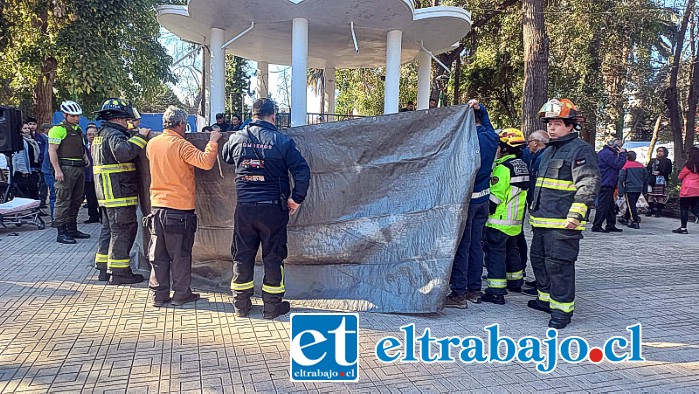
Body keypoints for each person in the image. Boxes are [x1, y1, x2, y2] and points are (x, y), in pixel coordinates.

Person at [222, 98, 310, 319]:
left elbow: (225, 157)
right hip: (273, 209)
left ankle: (241, 305)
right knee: (273, 255)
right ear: (273, 116)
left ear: (252, 115)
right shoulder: (282, 141)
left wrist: (243, 131)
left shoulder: (237, 137)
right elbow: (302, 171)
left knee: (242, 254)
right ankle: (271, 307)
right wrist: (296, 199)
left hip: (244, 208)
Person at [528, 98, 600, 329]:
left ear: (571, 125)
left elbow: (588, 183)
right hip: (542, 220)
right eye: (549, 123)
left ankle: (561, 312)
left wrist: (576, 215)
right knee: (539, 261)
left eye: (557, 123)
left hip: (563, 223)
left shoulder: (580, 149)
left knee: (559, 266)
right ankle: (545, 300)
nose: (551, 127)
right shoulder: (549, 150)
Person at [145, 106, 222, 307]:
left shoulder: (152, 144)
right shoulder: (181, 145)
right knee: (179, 255)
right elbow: (205, 163)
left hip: (156, 208)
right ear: (180, 124)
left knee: (158, 255)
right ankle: (181, 294)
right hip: (178, 210)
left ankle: (158, 296)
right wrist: (213, 142)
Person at [445, 99, 499, 308]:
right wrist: (479, 108)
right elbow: (486, 121)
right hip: (483, 201)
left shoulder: (467, 142)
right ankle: (473, 290)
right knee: (476, 244)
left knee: (462, 246)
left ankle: (458, 294)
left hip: (467, 201)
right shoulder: (491, 137)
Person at [92, 98, 150, 284]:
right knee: (123, 231)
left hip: (106, 194)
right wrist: (140, 137)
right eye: (127, 120)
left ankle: (103, 269)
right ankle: (120, 273)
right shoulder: (114, 135)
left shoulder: (100, 134)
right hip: (119, 194)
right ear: (118, 119)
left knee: (109, 231)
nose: (128, 123)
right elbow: (124, 153)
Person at [481, 128, 530, 305]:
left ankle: (496, 290)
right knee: (512, 251)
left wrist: (483, 214)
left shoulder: (503, 168)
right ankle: (515, 281)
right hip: (515, 222)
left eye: (498, 146)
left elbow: (495, 196)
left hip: (499, 221)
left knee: (495, 254)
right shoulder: (522, 165)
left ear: (505, 147)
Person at [48, 101, 91, 244]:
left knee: (76, 200)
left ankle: (72, 229)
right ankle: (61, 232)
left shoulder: (78, 129)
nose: (76, 118)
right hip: (66, 168)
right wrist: (57, 170)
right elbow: (52, 151)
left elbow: (81, 146)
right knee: (63, 200)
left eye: (78, 116)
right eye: (73, 116)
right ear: (65, 115)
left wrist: (84, 157)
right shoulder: (57, 129)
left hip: (79, 167)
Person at [519, 129, 549, 294]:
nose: (528, 144)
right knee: (539, 249)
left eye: (529, 141)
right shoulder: (538, 157)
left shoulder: (543, 158)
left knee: (542, 250)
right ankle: (540, 281)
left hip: (543, 209)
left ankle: (543, 285)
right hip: (538, 206)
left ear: (536, 142)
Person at [591, 137, 627, 233]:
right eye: (618, 145)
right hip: (606, 182)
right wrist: (623, 154)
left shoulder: (607, 153)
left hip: (608, 181)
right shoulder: (608, 154)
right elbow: (617, 165)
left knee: (610, 205)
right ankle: (597, 225)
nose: (620, 147)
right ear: (613, 145)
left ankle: (610, 224)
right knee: (603, 205)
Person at [617, 151, 648, 229]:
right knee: (632, 204)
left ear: (627, 157)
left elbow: (621, 178)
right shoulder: (641, 165)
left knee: (631, 205)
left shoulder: (625, 166)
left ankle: (635, 221)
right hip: (639, 188)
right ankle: (625, 217)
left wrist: (620, 191)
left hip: (630, 188)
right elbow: (646, 176)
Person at [673, 147, 699, 234]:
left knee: (684, 208)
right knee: (695, 209)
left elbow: (680, 176)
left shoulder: (689, 165)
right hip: (697, 189)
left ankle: (683, 228)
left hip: (687, 190)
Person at [12, 123, 41, 199]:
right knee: (25, 194)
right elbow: (19, 156)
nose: (27, 130)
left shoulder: (31, 140)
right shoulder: (20, 140)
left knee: (34, 193)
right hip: (23, 172)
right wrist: (23, 170)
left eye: (28, 128)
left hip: (33, 170)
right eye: (25, 128)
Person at [646, 147, 673, 217]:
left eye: (661, 151)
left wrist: (660, 172)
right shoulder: (652, 160)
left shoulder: (667, 161)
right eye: (658, 151)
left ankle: (658, 211)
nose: (659, 153)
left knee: (660, 196)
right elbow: (647, 169)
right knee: (650, 195)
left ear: (665, 153)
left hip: (661, 180)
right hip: (652, 179)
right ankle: (650, 210)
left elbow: (669, 171)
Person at [83, 124, 100, 223]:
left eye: (94, 134)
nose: (91, 136)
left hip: (100, 176)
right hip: (88, 177)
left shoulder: (101, 146)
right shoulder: (83, 148)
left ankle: (103, 216)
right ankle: (93, 216)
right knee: (90, 198)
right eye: (89, 134)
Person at [39, 123, 56, 218]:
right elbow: (47, 156)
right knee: (54, 195)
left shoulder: (48, 140)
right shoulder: (49, 140)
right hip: (49, 170)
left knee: (54, 194)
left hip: (48, 169)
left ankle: (55, 218)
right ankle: (55, 218)